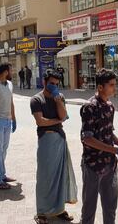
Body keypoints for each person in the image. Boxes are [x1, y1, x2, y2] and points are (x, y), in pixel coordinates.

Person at [80, 69, 118, 224]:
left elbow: (108, 131)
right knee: (89, 209)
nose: (114, 88)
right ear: (100, 87)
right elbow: (88, 139)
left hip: (110, 165)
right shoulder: (89, 107)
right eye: (111, 85)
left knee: (110, 207)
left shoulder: (110, 106)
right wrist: (117, 150)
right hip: (93, 164)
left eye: (115, 84)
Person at [30, 69, 77, 224]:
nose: (54, 86)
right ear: (44, 82)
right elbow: (40, 121)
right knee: (45, 177)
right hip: (45, 141)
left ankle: (59, 209)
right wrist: (58, 121)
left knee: (61, 176)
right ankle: (42, 212)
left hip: (60, 140)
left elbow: (63, 116)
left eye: (57, 84)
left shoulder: (60, 97)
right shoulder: (37, 99)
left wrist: (58, 101)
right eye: (51, 83)